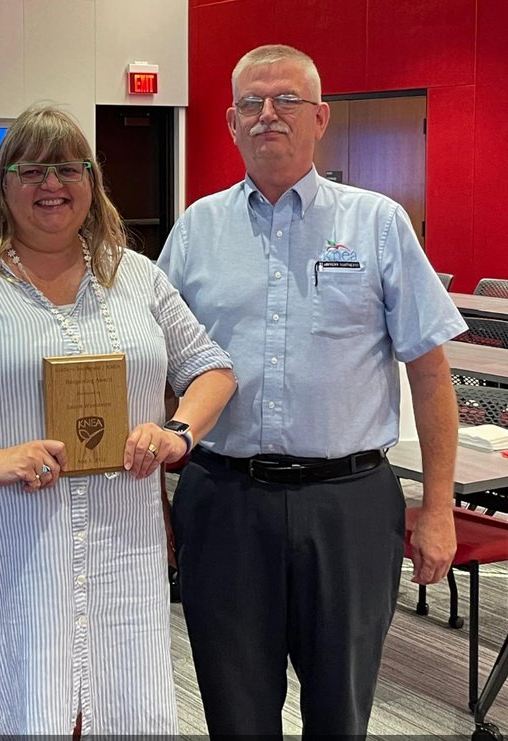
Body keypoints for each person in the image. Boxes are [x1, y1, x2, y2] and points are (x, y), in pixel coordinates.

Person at [0, 104, 236, 736]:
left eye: (68, 168)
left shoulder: (135, 276)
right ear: (3, 184)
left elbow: (212, 368)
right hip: (1, 549)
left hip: (119, 548)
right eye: (31, 170)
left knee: (115, 708)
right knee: (5, 706)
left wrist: (178, 431)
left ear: (92, 181)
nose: (51, 185)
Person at [157, 44, 468, 737]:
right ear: (232, 124)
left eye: (287, 100)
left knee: (340, 712)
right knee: (236, 715)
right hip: (223, 500)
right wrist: (154, 501)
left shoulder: (378, 223)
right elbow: (154, 370)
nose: (269, 114)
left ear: (321, 116)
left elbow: (429, 374)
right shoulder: (195, 231)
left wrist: (440, 507)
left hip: (349, 506)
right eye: (251, 103)